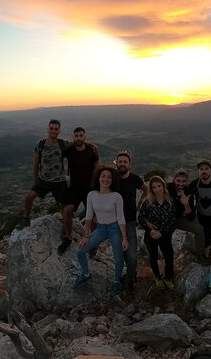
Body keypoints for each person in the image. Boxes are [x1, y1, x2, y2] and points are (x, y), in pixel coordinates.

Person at [74, 166, 128, 296]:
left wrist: (124, 237)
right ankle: (86, 273)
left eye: (109, 177)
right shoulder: (91, 195)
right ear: (98, 178)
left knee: (118, 258)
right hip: (101, 229)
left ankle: (116, 281)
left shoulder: (116, 196)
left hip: (114, 228)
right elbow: (88, 217)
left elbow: (121, 217)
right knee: (80, 251)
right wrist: (86, 236)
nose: (106, 179)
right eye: (103, 176)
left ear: (112, 180)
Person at [18, 119, 68, 229]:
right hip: (43, 180)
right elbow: (36, 165)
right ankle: (26, 219)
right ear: (47, 129)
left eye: (56, 129)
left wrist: (91, 146)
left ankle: (66, 227)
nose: (53, 131)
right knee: (28, 198)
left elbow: (78, 144)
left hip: (59, 181)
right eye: (51, 128)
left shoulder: (63, 143)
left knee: (63, 206)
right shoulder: (40, 144)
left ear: (59, 130)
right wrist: (35, 182)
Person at [58, 127, 100, 254]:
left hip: (89, 188)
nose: (79, 138)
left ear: (85, 137)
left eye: (81, 136)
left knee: (93, 217)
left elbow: (97, 167)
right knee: (67, 210)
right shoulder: (69, 150)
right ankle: (68, 237)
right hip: (75, 187)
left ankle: (92, 242)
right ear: (73, 137)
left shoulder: (91, 151)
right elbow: (59, 147)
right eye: (76, 136)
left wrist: (95, 185)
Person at [115, 151, 149, 293]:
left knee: (132, 255)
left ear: (130, 164)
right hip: (115, 222)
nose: (122, 164)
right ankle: (130, 279)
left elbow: (145, 190)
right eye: (120, 161)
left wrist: (139, 204)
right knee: (122, 252)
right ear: (116, 163)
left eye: (125, 162)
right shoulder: (113, 178)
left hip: (129, 221)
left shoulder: (134, 179)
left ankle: (130, 281)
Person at [138, 176, 178, 290]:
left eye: (159, 186)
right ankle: (157, 277)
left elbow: (173, 220)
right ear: (151, 188)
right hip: (150, 234)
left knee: (169, 256)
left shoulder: (170, 201)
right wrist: (149, 228)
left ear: (163, 186)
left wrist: (161, 232)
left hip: (164, 233)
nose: (157, 189)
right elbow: (141, 218)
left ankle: (168, 278)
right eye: (154, 187)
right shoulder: (147, 202)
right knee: (153, 256)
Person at [167, 169, 206, 260]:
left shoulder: (188, 192)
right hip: (168, 219)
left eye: (183, 181)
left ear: (187, 181)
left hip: (180, 218)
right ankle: (167, 256)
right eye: (178, 181)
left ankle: (200, 254)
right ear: (174, 180)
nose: (181, 184)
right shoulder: (167, 189)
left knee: (199, 229)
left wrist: (186, 204)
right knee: (165, 235)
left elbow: (191, 216)